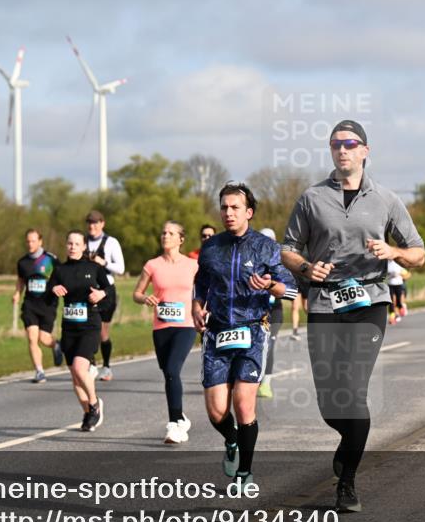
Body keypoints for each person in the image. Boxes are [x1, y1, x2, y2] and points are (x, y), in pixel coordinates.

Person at [282, 119, 425, 513]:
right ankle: (349, 446)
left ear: (365, 150)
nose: (342, 150)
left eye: (349, 144)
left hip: (369, 303)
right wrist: (307, 268)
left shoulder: (387, 199)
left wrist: (393, 253)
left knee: (354, 392)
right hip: (325, 303)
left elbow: (418, 251)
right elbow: (288, 249)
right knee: (330, 402)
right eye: (335, 145)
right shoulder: (311, 199)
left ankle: (347, 482)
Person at [194, 184, 296, 491]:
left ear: (248, 212)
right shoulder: (211, 248)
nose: (228, 213)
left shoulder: (266, 247)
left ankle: (245, 473)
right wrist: (197, 307)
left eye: (235, 207)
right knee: (215, 411)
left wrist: (270, 286)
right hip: (217, 333)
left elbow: (291, 289)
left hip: (252, 329)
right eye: (224, 207)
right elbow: (201, 283)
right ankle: (232, 439)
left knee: (243, 402)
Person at [133, 221, 198, 444]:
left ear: (181, 239)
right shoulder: (152, 265)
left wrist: (204, 310)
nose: (165, 236)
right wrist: (145, 298)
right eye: (163, 232)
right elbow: (137, 293)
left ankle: (175, 425)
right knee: (168, 372)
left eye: (171, 233)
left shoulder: (193, 265)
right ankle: (180, 415)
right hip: (161, 326)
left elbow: (203, 292)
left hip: (186, 325)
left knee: (172, 369)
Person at [47, 230, 111, 431]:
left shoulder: (94, 268)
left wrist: (101, 294)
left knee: (78, 367)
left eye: (77, 243)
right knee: (75, 377)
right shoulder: (59, 270)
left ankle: (94, 404)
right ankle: (87, 413)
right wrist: (53, 290)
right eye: (69, 243)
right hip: (69, 327)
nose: (72, 246)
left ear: (84, 247)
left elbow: (109, 291)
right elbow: (49, 293)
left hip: (90, 325)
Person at [13, 229, 64, 383]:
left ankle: (56, 345)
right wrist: (17, 293)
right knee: (32, 338)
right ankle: (39, 371)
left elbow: (62, 276)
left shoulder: (51, 259)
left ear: (40, 241)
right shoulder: (22, 262)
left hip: (48, 303)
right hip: (30, 304)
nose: (30, 244)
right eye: (28, 241)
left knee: (43, 338)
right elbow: (21, 280)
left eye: (33, 241)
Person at [84, 210, 125, 381]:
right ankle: (91, 365)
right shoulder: (83, 241)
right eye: (89, 223)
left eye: (95, 223)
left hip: (106, 292)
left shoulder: (111, 242)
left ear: (102, 224)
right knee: (87, 330)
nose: (92, 226)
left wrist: (104, 263)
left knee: (101, 332)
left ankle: (106, 366)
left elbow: (121, 268)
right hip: (87, 290)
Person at [256, 228, 290, 399]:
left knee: (268, 345)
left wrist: (272, 285)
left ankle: (266, 384)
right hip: (254, 310)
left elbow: (289, 290)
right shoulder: (251, 260)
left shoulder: (280, 264)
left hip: (274, 311)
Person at [386, 260, 410, 325]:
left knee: (399, 301)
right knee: (391, 301)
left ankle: (401, 308)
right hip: (390, 285)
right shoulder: (386, 263)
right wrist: (389, 275)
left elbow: (407, 275)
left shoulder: (398, 264)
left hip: (399, 284)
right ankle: (392, 317)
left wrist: (400, 275)